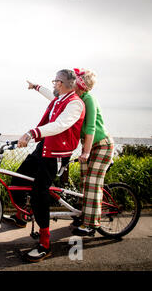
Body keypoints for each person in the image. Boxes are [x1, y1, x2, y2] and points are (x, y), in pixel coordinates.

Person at [7, 69, 85, 262]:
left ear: (60, 83)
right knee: (18, 179)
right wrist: (36, 87)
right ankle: (21, 216)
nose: (52, 85)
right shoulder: (59, 99)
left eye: (54, 81)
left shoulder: (75, 104)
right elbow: (49, 95)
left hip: (57, 153)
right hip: (44, 146)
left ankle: (45, 244)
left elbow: (60, 125)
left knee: (39, 193)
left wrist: (32, 133)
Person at [70, 68, 114, 236]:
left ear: (81, 84)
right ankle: (85, 215)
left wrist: (86, 152)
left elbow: (90, 127)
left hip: (101, 145)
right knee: (84, 182)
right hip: (89, 145)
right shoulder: (77, 98)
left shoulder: (89, 99)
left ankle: (91, 224)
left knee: (92, 184)